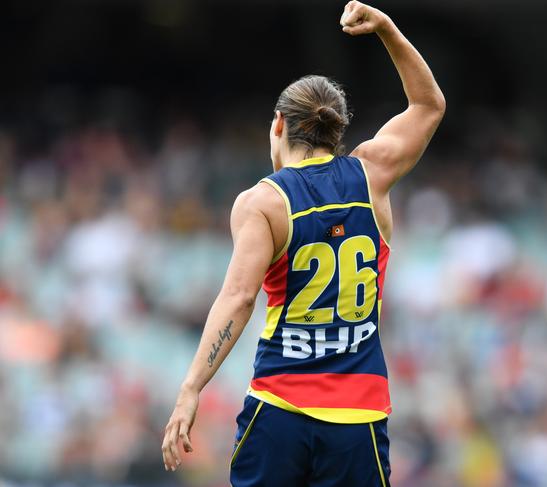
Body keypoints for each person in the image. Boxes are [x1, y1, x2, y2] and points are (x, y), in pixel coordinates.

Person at [161, 2, 445, 485]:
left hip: (280, 411)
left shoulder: (263, 203)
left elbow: (240, 297)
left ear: (278, 124)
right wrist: (387, 31)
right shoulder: (372, 174)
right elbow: (428, 105)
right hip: (359, 420)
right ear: (336, 131)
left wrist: (191, 389)